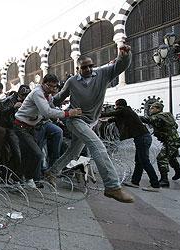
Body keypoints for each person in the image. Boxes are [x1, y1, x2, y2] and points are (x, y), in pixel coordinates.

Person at [46, 44, 134, 203]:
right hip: (75, 120)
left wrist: (124, 56)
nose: (87, 70)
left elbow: (119, 67)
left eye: (90, 66)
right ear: (78, 68)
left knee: (73, 152)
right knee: (97, 146)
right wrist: (46, 105)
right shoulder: (72, 82)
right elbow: (58, 98)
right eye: (84, 67)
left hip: (90, 122)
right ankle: (113, 186)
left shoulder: (102, 74)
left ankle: (52, 172)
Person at [14, 74, 82, 188]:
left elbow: (52, 108)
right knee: (37, 154)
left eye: (54, 87)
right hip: (21, 127)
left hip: (32, 127)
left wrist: (65, 113)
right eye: (49, 86)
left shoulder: (48, 96)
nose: (52, 89)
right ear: (43, 84)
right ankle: (27, 178)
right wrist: (67, 113)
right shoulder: (37, 93)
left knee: (29, 154)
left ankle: (21, 179)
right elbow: (47, 112)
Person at [101, 99, 160, 191]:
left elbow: (110, 114)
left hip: (142, 137)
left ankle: (155, 185)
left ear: (118, 105)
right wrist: (100, 118)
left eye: (116, 106)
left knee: (144, 161)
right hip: (141, 137)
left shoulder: (125, 110)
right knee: (139, 161)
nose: (116, 108)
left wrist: (94, 113)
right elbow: (111, 119)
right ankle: (135, 182)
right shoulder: (125, 114)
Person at [142, 102, 180, 187]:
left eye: (152, 108)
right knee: (171, 158)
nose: (150, 110)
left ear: (158, 109)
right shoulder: (167, 116)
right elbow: (175, 126)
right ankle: (179, 172)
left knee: (162, 158)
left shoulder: (157, 116)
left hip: (170, 142)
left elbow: (147, 120)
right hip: (175, 141)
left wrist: (133, 116)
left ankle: (164, 180)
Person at [0, 85, 31, 181]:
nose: (25, 97)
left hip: (23, 128)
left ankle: (13, 175)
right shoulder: (9, 100)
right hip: (11, 128)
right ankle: (14, 177)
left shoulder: (27, 101)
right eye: (24, 95)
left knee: (22, 152)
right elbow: (2, 112)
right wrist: (13, 107)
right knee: (16, 152)